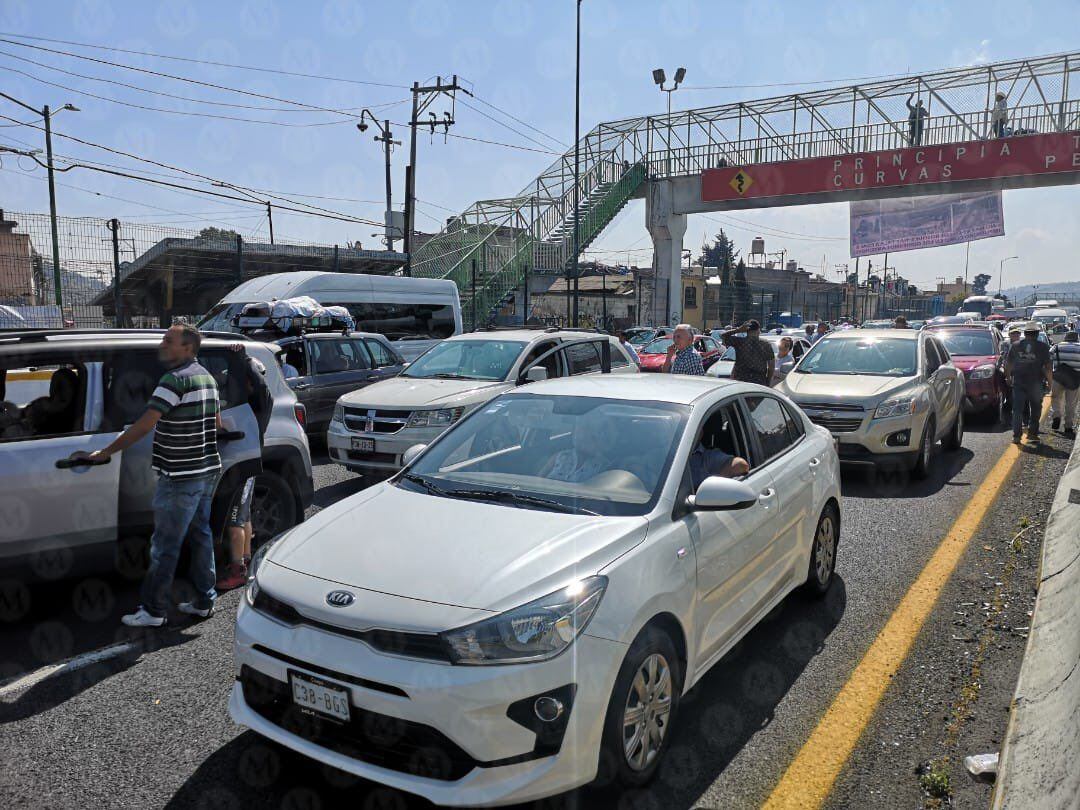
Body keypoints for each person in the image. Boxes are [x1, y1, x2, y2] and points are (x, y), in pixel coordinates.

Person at [74, 325, 222, 627]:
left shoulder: (174, 380)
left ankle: (153, 610)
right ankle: (205, 600)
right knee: (201, 536)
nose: (163, 344)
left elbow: (144, 425)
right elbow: (217, 422)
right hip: (207, 470)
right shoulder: (206, 377)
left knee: (165, 545)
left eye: (169, 341)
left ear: (188, 349)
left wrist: (105, 452)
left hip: (180, 475)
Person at [216, 349, 270, 591]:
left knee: (234, 519)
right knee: (245, 515)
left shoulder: (258, 401)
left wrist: (242, 360)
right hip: (248, 461)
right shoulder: (251, 406)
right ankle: (245, 560)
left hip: (242, 463)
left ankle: (237, 570)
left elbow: (258, 384)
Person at [1004, 321, 1053, 445]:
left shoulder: (1015, 346)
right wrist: (1050, 383)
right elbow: (1048, 367)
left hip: (1019, 382)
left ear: (1025, 334)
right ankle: (1032, 433)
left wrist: (1008, 378)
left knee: (1017, 409)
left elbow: (1008, 364)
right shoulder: (1043, 347)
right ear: (1037, 334)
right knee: (1036, 409)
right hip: (1036, 383)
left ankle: (1016, 436)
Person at [718, 320, 775, 386]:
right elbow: (771, 367)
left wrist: (738, 330)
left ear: (746, 331)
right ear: (758, 330)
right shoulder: (766, 344)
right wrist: (767, 382)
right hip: (759, 382)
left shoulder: (739, 342)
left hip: (741, 381)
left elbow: (722, 336)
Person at [1049, 331, 1080, 437]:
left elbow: (1049, 359)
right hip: (1074, 379)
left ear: (1065, 338)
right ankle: (1068, 426)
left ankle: (1056, 416)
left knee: (1055, 398)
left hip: (1058, 377)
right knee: (1071, 403)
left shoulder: (1057, 346)